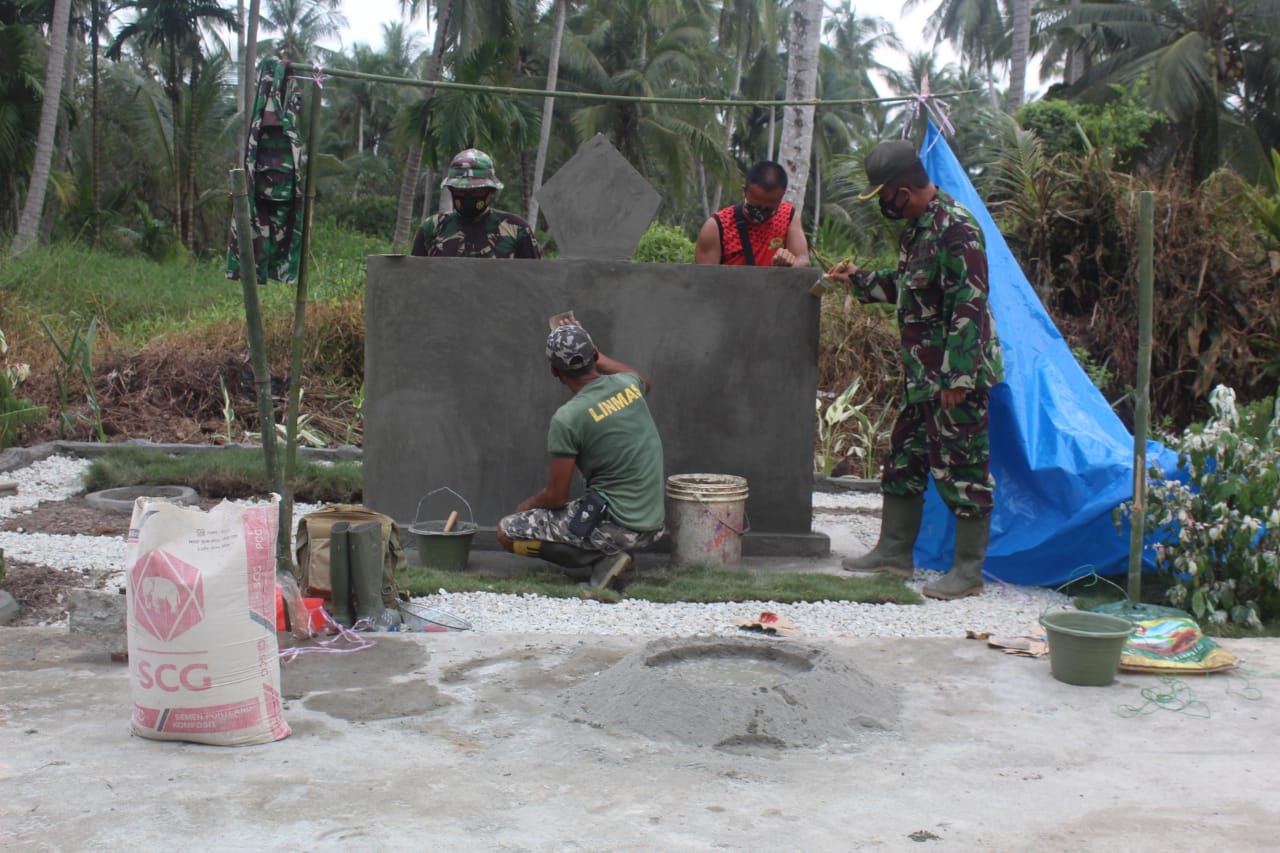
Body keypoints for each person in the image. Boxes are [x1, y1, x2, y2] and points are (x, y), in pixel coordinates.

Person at [824, 139, 1003, 600]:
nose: (882, 204)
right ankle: (893, 552)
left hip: (951, 378)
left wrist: (955, 378)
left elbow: (971, 303)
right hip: (921, 377)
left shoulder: (957, 228)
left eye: (883, 195)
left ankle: (968, 572)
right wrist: (859, 280)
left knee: (964, 468)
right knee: (902, 461)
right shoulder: (917, 229)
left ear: (903, 190)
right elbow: (909, 288)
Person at [496, 322, 666, 590]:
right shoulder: (629, 384)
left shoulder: (568, 418)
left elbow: (556, 497)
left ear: (553, 370)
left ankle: (603, 558)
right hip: (653, 523)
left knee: (507, 532)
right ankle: (611, 550)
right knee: (585, 505)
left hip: (619, 525)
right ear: (595, 355)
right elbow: (645, 381)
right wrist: (595, 353)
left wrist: (526, 506)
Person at [411, 147, 541, 258]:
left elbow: (535, 280)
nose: (468, 197)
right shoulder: (432, 229)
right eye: (461, 190)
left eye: (476, 191)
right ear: (451, 189)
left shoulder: (516, 229)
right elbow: (412, 279)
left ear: (491, 191)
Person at [695, 161, 810, 267]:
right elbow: (705, 280)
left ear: (780, 198)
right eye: (755, 207)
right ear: (744, 192)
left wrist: (790, 264)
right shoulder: (718, 226)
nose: (761, 213)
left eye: (768, 209)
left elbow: (803, 260)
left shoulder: (788, 216)